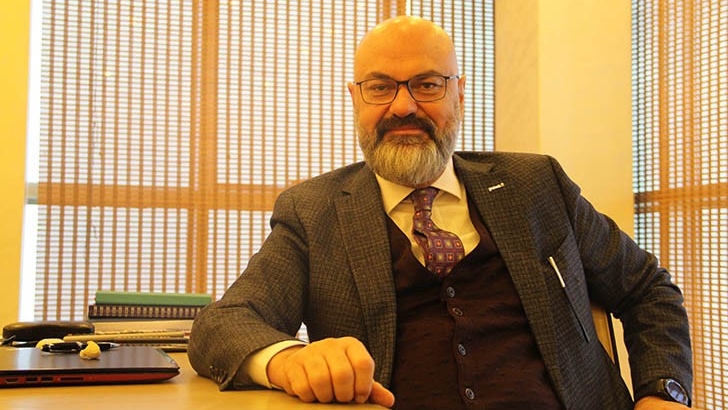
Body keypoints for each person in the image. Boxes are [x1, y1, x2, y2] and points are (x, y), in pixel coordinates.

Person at [188, 16, 693, 410]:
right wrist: (290, 360)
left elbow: (647, 288)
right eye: (380, 87)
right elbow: (224, 324)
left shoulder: (536, 185)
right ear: (355, 99)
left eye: (427, 84)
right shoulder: (312, 211)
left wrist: (663, 392)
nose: (403, 106)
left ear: (459, 92)